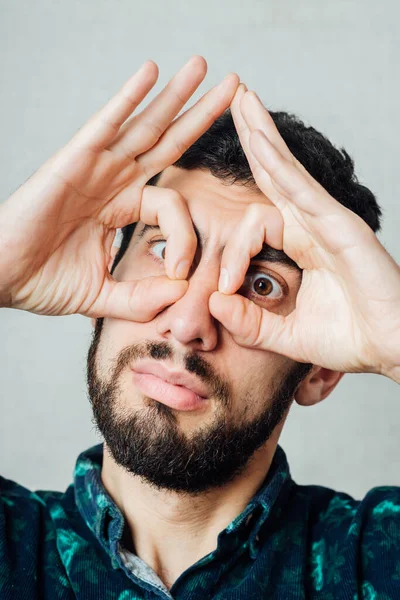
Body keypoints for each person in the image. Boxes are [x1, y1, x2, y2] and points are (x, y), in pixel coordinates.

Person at [0, 55, 399, 600]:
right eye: (164, 248)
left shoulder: (376, 558)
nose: (188, 324)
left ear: (322, 371)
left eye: (261, 285)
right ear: (104, 278)